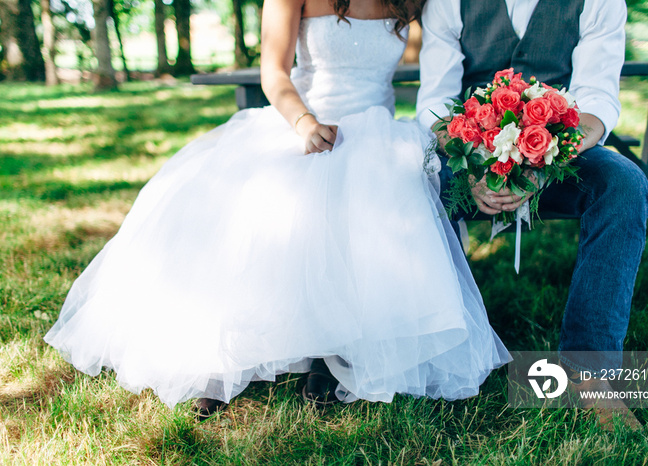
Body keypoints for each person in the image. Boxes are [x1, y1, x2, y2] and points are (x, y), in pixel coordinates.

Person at [44, 0, 510, 419]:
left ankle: (335, 352)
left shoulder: (410, 0)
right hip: (304, 122)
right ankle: (222, 360)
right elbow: (275, 72)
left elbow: (444, 60)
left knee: (379, 197)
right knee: (264, 206)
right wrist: (304, 123)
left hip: (377, 133)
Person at [416, 0, 648, 429]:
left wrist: (544, 160)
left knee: (623, 185)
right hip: (470, 156)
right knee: (416, 186)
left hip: (562, 153)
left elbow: (597, 98)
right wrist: (472, 170)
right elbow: (436, 102)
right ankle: (438, 356)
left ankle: (591, 375)